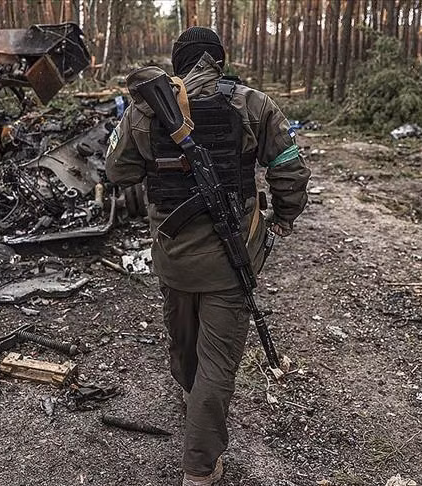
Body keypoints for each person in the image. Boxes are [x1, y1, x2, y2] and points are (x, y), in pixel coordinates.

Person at [105, 26, 310, 485]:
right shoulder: (253, 104)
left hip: (174, 258)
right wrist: (285, 216)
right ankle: (200, 468)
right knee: (216, 364)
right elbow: (289, 168)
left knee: (183, 343)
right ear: (221, 59)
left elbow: (117, 171)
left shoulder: (143, 110)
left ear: (178, 62)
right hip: (229, 264)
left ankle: (191, 402)